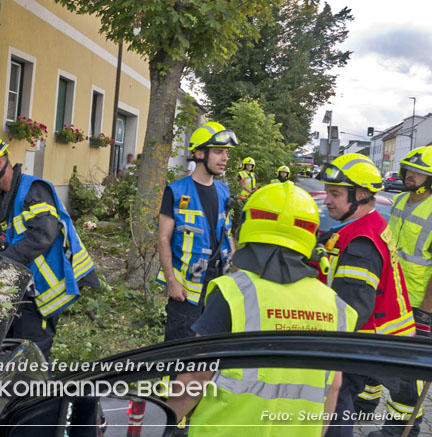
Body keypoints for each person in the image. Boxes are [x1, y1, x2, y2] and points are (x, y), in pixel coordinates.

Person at [167, 182, 358, 437]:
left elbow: (197, 377)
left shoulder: (233, 293)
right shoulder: (334, 306)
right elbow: (333, 387)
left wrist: (161, 421)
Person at [0, 133, 99, 358]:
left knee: (31, 358)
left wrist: (0, 263)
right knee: (11, 353)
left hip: (44, 293)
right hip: (23, 289)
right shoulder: (2, 198)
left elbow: (43, 235)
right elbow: (6, 243)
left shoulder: (34, 190)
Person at [314, 154, 415, 437]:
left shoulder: (361, 243)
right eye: (328, 192)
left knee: (336, 407)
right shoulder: (362, 226)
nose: (327, 200)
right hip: (372, 338)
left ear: (360, 195)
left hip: (360, 341)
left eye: (335, 194)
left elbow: (351, 311)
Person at [367, 147, 432, 437]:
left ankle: (400, 430)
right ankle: (363, 405)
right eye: (408, 170)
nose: (409, 176)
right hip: (391, 293)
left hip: (417, 303)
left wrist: (427, 310)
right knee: (376, 354)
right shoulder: (400, 200)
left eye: (418, 173)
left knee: (408, 372)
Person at [156, 121, 237, 341]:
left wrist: (238, 267)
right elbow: (163, 239)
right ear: (199, 153)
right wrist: (171, 282)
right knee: (180, 349)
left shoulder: (223, 190)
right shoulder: (176, 191)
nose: (225, 158)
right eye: (218, 152)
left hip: (218, 284)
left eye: (226, 153)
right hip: (185, 291)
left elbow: (227, 233)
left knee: (211, 348)